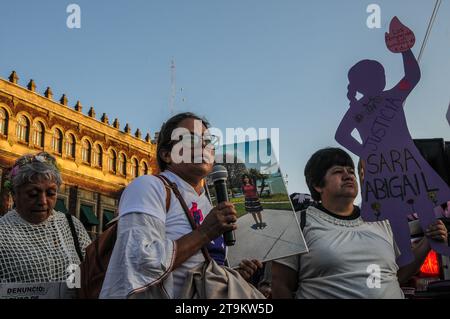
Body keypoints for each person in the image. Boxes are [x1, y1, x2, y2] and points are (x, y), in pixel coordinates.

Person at [100, 112, 262, 299]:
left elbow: (202, 268)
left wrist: (233, 277)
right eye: (191, 139)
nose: (203, 145)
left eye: (208, 141)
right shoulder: (149, 187)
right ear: (167, 155)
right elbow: (138, 262)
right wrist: (204, 233)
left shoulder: (208, 204)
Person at [335, 17, 450, 265]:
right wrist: (366, 152)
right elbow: (341, 135)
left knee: (421, 203)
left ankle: (438, 246)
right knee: (397, 210)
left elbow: (413, 74)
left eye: (383, 73)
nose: (383, 77)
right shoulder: (367, 105)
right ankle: (406, 256)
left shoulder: (390, 97)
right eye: (378, 74)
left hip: (399, 160)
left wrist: (405, 47)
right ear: (364, 82)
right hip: (390, 163)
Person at [272, 147, 448, 299]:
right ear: (318, 185)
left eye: (350, 171)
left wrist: (427, 242)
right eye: (338, 171)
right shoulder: (297, 223)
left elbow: (395, 275)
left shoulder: (382, 222)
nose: (348, 175)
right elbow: (281, 285)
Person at [0, 152, 91, 298]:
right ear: (14, 194)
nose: (43, 201)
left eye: (50, 193)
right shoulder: (3, 232)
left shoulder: (71, 225)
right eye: (33, 193)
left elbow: (92, 270)